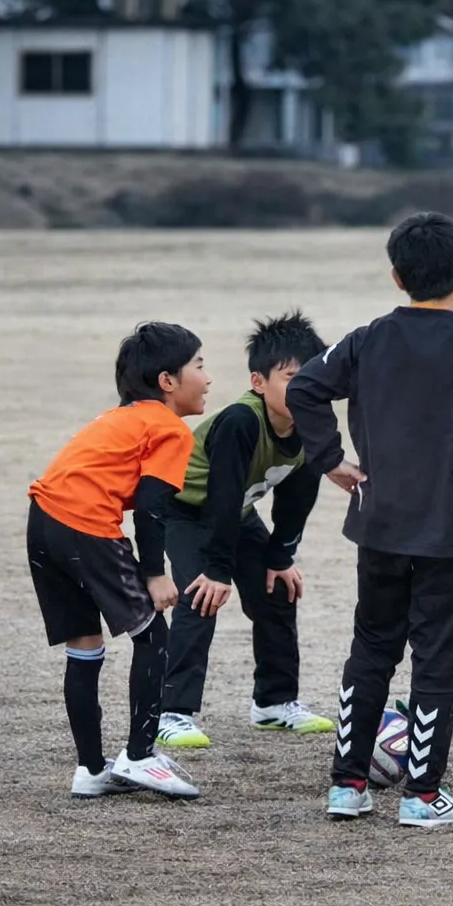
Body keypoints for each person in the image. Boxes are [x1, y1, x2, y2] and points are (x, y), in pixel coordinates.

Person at [287, 212, 453, 828]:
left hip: (382, 522)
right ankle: (422, 796)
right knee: (437, 659)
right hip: (449, 527)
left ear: (396, 275)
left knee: (372, 647)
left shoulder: (367, 338)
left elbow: (306, 387)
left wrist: (329, 458)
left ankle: (347, 784)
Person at [26, 322, 211, 800]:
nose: (207, 378)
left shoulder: (121, 417)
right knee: (154, 634)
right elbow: (152, 505)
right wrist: (154, 573)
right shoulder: (168, 428)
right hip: (85, 525)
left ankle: (91, 770)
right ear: (167, 381)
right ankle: (140, 755)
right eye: (199, 365)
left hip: (43, 519)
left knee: (85, 645)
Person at [155, 312, 333, 750]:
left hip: (236, 513)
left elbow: (296, 501)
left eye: (313, 376)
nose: (304, 387)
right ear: (259, 382)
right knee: (200, 598)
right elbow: (220, 495)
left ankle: (274, 703)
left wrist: (280, 558)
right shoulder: (240, 421)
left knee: (278, 593)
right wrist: (217, 569)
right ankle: (172, 712)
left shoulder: (313, 425)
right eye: (291, 377)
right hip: (188, 511)